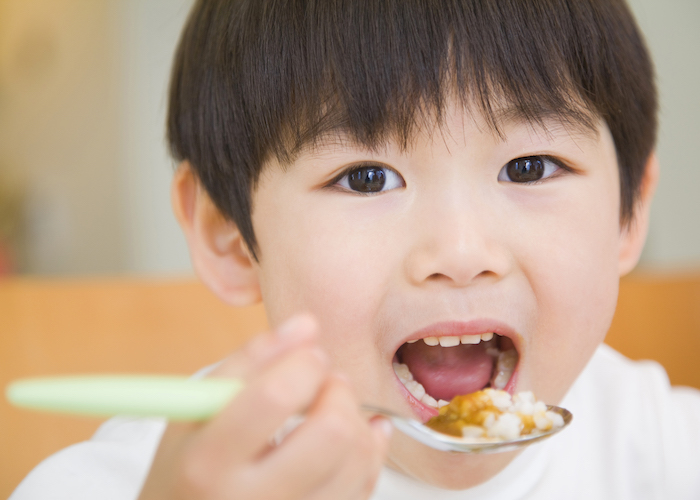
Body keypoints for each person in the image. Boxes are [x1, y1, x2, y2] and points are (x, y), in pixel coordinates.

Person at [11, 0, 700, 498]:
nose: (460, 252)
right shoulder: (133, 483)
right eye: (367, 178)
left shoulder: (654, 443)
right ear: (231, 238)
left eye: (529, 167)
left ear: (628, 211)